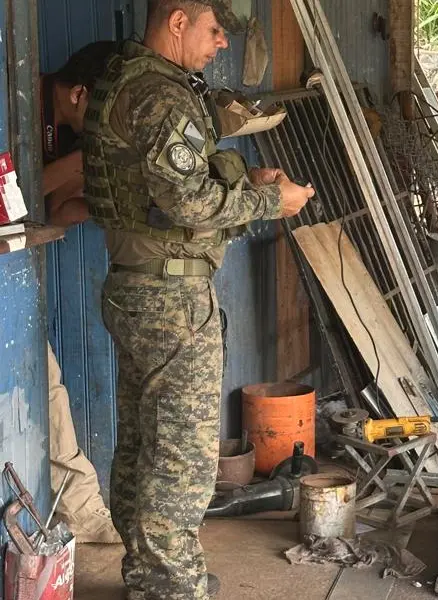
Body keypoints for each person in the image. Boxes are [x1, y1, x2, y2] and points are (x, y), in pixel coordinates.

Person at [82, 1, 315, 598]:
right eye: (213, 31)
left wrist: (243, 182)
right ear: (178, 21)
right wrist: (271, 203)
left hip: (142, 286)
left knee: (143, 438)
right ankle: (171, 586)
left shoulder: (129, 81)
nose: (220, 46)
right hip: (169, 296)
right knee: (180, 457)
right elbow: (186, 205)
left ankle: (152, 572)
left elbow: (168, 190)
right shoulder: (159, 97)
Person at [42, 40, 124, 544]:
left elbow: (50, 211)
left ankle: (83, 510)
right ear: (77, 94)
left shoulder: (63, 128)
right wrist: (82, 162)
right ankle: (83, 512)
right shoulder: (18, 103)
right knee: (43, 384)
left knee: (45, 385)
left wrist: (100, 204)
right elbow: (19, 195)